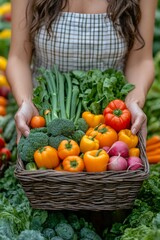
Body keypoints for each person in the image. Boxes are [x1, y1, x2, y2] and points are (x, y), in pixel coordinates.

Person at [6, 0, 157, 144]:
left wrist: (133, 101)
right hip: (44, 124)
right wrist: (26, 102)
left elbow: (141, 61)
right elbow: (18, 58)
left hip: (112, 129)